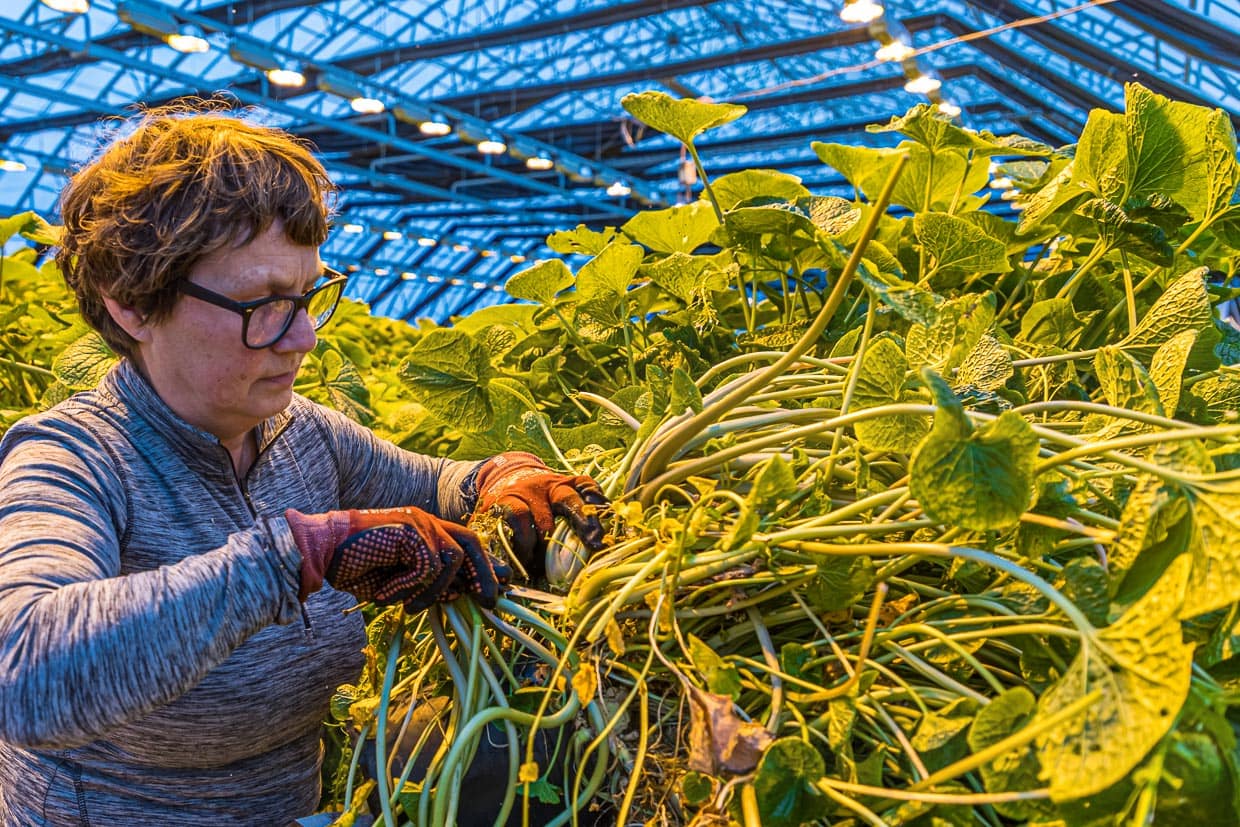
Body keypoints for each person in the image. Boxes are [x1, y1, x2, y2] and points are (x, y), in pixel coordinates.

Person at [0, 102, 607, 825]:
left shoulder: (302, 436)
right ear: (133, 305)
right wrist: (297, 556)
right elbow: (23, 677)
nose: (306, 337)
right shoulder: (74, 458)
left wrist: (500, 476)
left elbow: (436, 487)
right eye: (263, 303)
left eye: (310, 293)